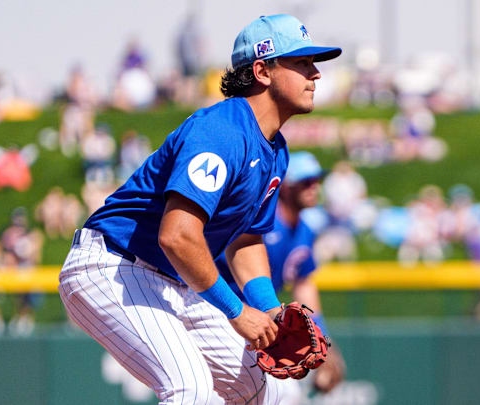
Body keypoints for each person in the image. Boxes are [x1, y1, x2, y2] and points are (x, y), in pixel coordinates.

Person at [58, 14, 341, 404]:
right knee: (190, 389)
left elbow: (245, 239)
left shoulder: (275, 149)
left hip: (175, 279)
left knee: (270, 390)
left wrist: (270, 310)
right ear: (263, 71)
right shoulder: (222, 130)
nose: (316, 74)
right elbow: (177, 235)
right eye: (301, 63)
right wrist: (237, 312)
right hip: (112, 265)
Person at [215, 151, 346, 398]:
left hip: (258, 324)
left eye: (317, 180)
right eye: (305, 181)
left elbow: (304, 285)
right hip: (225, 314)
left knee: (281, 394)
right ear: (285, 187)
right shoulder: (261, 224)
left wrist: (326, 344)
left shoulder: (305, 230)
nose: (314, 186)